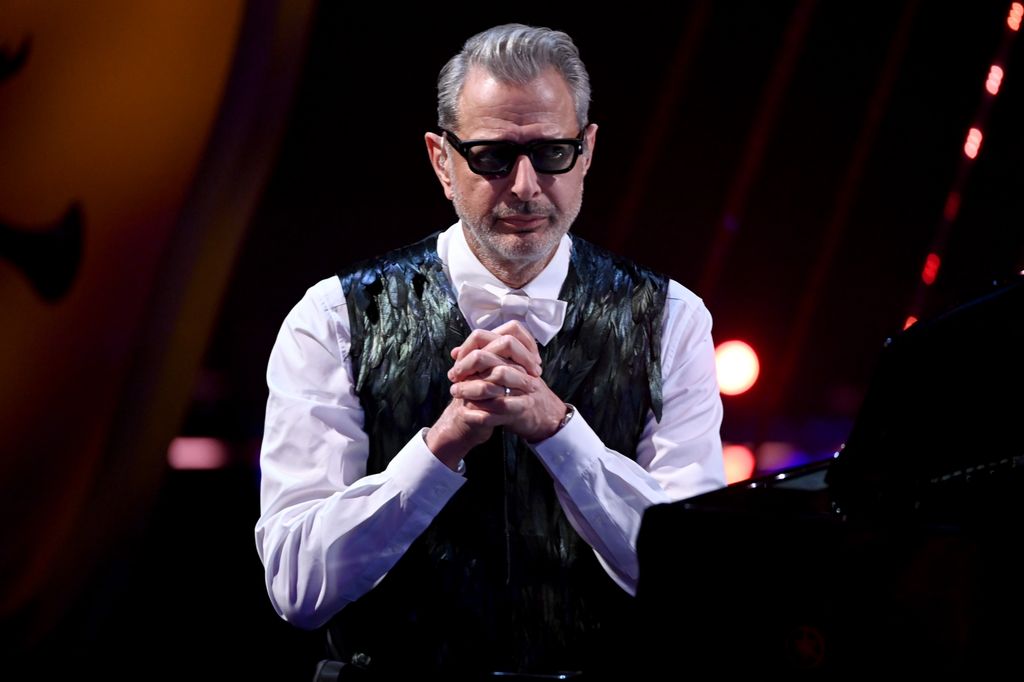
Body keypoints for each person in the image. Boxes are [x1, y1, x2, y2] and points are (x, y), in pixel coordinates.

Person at [255, 23, 725, 679]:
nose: (527, 186)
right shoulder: (333, 318)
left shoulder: (671, 319)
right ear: (442, 160)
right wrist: (439, 447)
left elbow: (701, 583)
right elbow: (298, 588)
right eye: (493, 157)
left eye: (553, 153)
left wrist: (560, 434)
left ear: (587, 151)